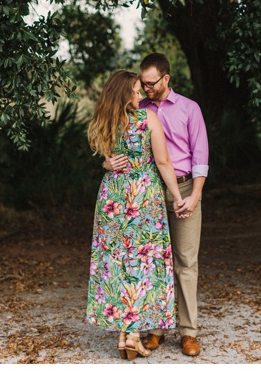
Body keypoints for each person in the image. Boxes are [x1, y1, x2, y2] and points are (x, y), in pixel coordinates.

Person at [105, 53, 209, 357]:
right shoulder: (136, 107)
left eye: (151, 83)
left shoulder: (190, 109)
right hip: (146, 193)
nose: (146, 88)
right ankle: (155, 329)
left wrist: (194, 195)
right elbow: (115, 144)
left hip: (185, 186)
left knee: (186, 263)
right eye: (143, 83)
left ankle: (188, 332)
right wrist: (106, 162)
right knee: (153, 263)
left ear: (166, 78)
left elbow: (201, 157)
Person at [86, 70, 190, 360]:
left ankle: (123, 334)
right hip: (142, 198)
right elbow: (163, 161)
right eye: (135, 90)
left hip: (112, 200)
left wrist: (107, 166)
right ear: (124, 93)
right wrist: (178, 197)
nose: (140, 95)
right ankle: (132, 336)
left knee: (118, 263)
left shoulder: (103, 121)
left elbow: (107, 160)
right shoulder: (146, 119)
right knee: (142, 264)